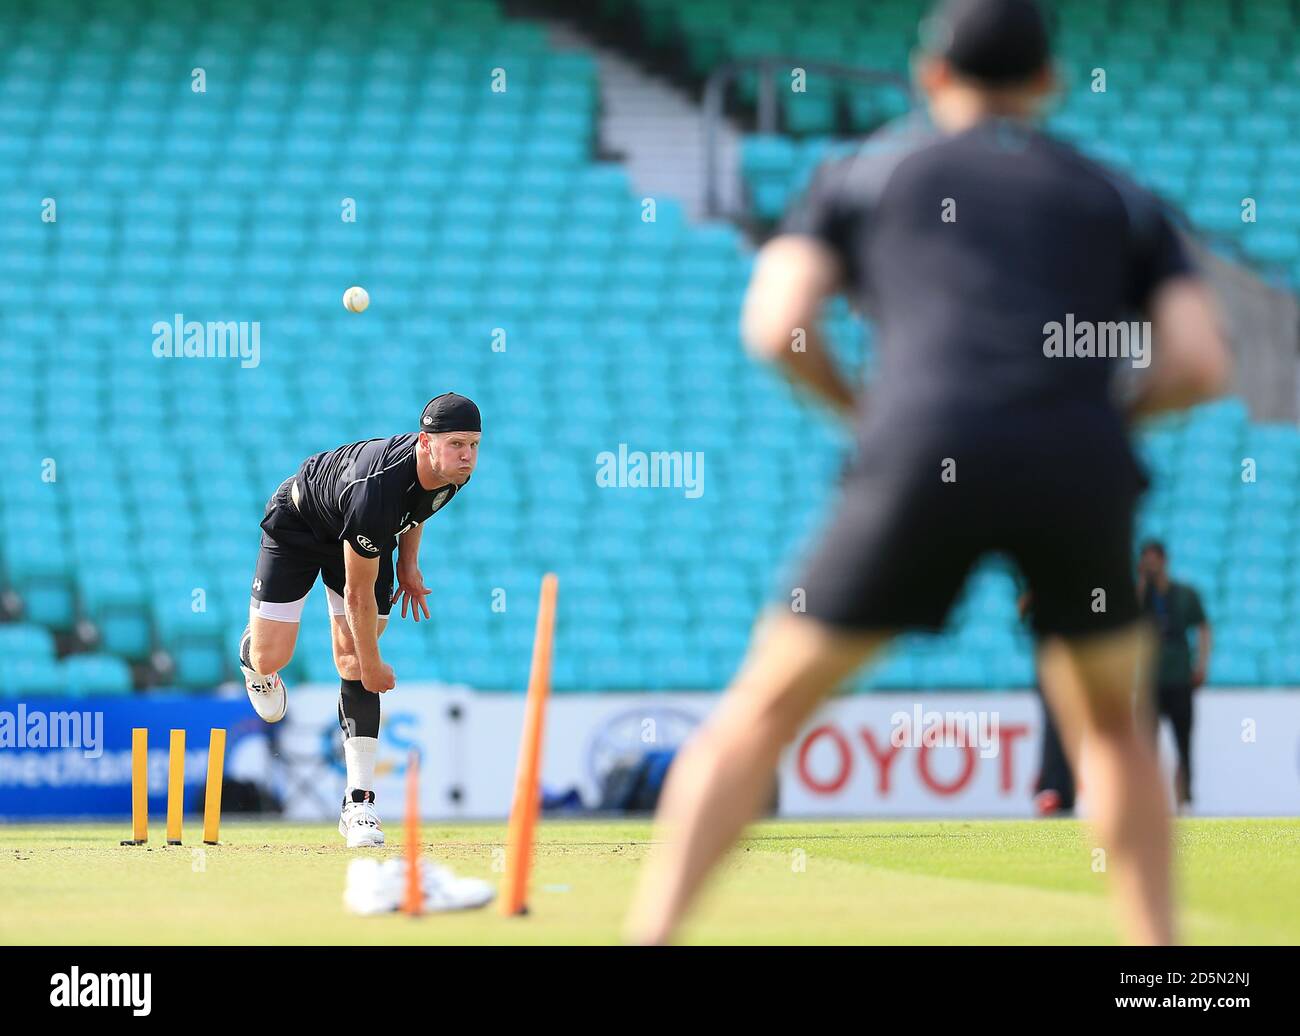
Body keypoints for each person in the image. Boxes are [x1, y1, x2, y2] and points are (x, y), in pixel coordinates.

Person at [624, 0, 1230, 945]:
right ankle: (1163, 973)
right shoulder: (1117, 195)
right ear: (1048, 84)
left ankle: (651, 937)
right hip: (1075, 464)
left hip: (919, 448)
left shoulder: (864, 172)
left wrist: (867, 412)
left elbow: (774, 325)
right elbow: (1199, 362)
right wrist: (1089, 421)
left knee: (763, 713)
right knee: (1113, 731)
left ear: (931, 74)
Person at [238, 393, 481, 846]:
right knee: (277, 655)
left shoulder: (453, 472)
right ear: (426, 443)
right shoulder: (377, 491)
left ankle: (359, 804)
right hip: (300, 523)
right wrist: (373, 665)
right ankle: (253, 659)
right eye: (456, 444)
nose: (467, 455)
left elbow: (417, 510)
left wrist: (409, 565)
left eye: (473, 444)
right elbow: (357, 593)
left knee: (352, 657)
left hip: (359, 533)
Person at [1136, 540, 1211, 809]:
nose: (1151, 564)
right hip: (1150, 680)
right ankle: (1148, 802)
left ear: (1164, 560)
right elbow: (1127, 619)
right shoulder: (1140, 596)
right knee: (1146, 745)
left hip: (1179, 678)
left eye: (1154, 558)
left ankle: (1184, 799)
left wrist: (1201, 664)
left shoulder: (1184, 594)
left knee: (1183, 742)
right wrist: (1142, 584)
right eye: (1146, 559)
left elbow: (1203, 628)